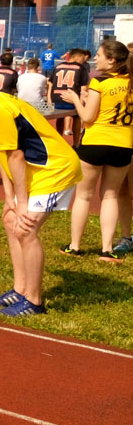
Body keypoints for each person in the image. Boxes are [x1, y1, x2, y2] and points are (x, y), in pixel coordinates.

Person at [0, 61, 81, 317]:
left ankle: (34, 301)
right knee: (11, 221)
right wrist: (10, 199)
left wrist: (22, 203)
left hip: (55, 169)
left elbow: (16, 156)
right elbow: (2, 153)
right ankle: (20, 290)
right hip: (37, 170)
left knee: (25, 229)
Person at [58, 40, 133, 262]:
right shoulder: (130, 82)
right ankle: (107, 249)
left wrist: (75, 100)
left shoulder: (99, 82)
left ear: (112, 60)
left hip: (96, 142)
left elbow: (88, 117)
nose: (95, 58)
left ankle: (75, 246)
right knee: (110, 195)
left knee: (84, 196)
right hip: (123, 145)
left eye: (99, 55)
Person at [49, 48, 91, 138]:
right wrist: (80, 105)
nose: (84, 61)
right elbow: (83, 89)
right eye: (82, 58)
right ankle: (76, 142)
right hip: (71, 102)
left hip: (56, 101)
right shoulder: (81, 68)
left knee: (60, 118)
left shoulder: (58, 66)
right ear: (77, 57)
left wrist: (50, 100)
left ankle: (59, 138)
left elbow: (50, 84)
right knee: (77, 117)